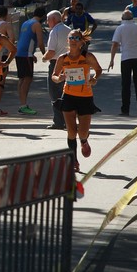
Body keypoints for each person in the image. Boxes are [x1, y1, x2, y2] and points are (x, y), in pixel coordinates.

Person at [52, 28, 102, 172]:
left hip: (85, 97)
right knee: (71, 132)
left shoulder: (87, 57)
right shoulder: (63, 58)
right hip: (68, 96)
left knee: (82, 132)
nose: (73, 41)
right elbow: (54, 76)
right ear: (67, 41)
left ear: (81, 42)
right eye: (71, 38)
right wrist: (59, 78)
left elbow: (98, 70)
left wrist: (94, 79)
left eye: (76, 38)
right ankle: (73, 160)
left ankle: (84, 140)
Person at [108, 9, 137, 116]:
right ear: (132, 18)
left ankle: (125, 109)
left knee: (126, 84)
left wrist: (112, 59)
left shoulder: (120, 28)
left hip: (126, 58)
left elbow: (115, 44)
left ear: (122, 19)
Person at [42, 10, 71, 129]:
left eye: (48, 20)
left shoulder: (54, 31)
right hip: (69, 64)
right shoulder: (68, 30)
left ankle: (58, 122)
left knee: (55, 94)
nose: (47, 23)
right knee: (67, 92)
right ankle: (68, 120)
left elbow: (51, 52)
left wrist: (44, 58)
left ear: (53, 20)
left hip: (56, 64)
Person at [15, 6, 46, 115]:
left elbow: (25, 39)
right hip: (25, 55)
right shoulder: (37, 25)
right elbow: (41, 42)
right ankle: (23, 105)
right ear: (43, 16)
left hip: (19, 53)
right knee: (27, 79)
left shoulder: (26, 23)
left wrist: (31, 54)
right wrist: (45, 55)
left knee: (22, 79)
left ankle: (22, 104)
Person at [0, 5, 15, 114]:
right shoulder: (6, 25)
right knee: (0, 82)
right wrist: (9, 50)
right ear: (6, 14)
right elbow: (12, 38)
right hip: (2, 54)